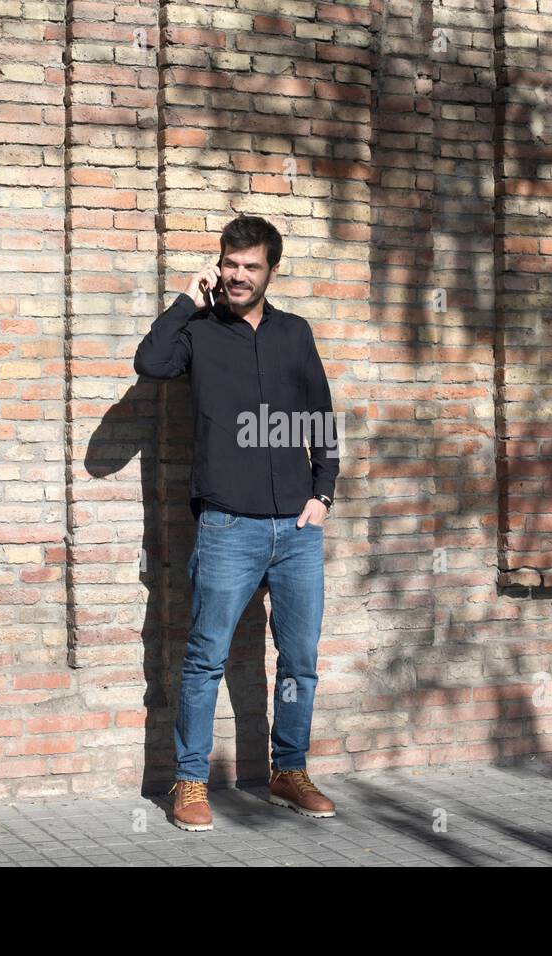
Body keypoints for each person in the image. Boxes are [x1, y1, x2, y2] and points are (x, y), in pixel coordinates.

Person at [133, 215, 340, 831]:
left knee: (300, 660)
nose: (238, 275)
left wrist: (322, 496)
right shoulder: (196, 331)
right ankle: (189, 782)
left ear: (271, 269)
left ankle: (288, 771)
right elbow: (150, 362)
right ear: (217, 266)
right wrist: (184, 301)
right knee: (205, 658)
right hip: (227, 526)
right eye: (230, 264)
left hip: (297, 531)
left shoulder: (295, 334)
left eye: (251, 266)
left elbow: (321, 418)